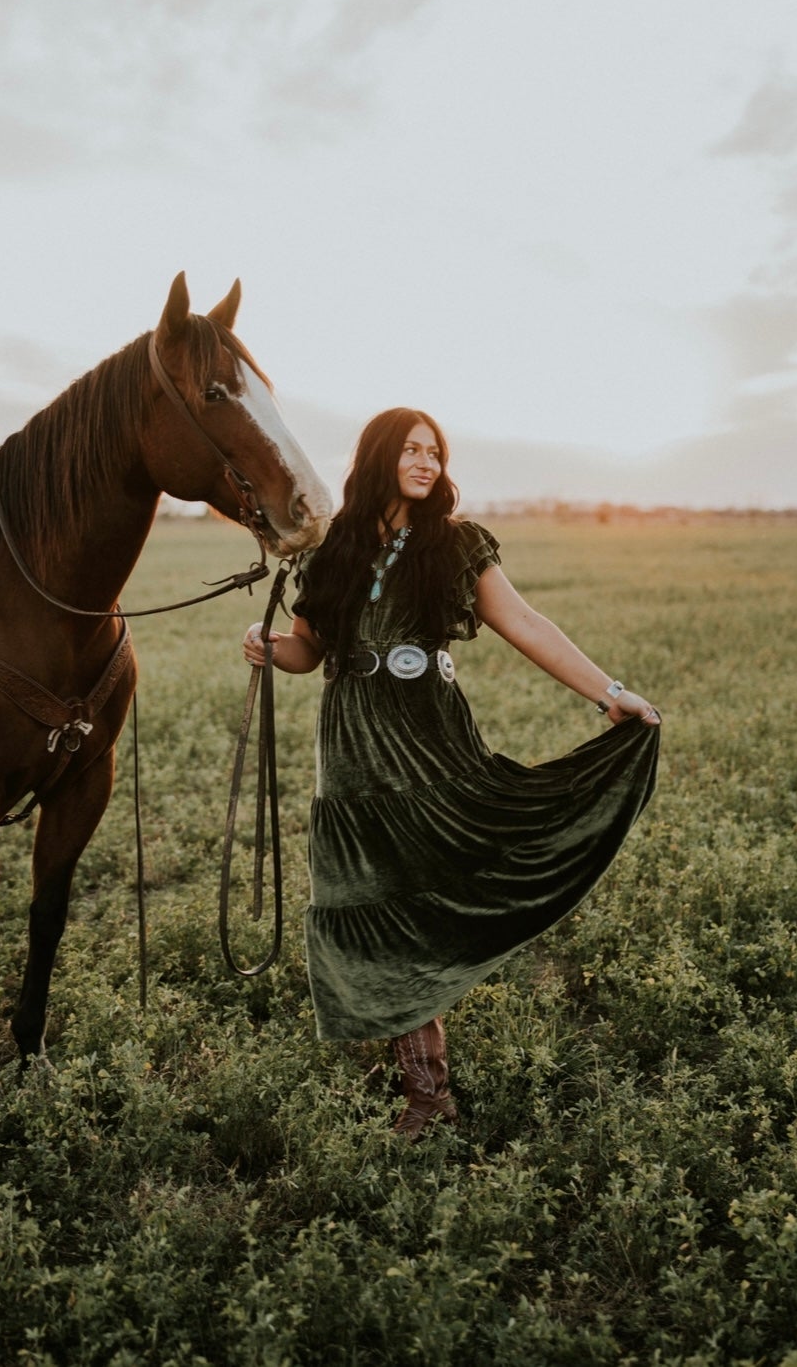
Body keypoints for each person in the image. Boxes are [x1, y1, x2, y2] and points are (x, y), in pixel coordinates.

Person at [242, 408, 661, 1137]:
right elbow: (308, 653)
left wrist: (612, 693)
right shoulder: (330, 546)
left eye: (434, 452)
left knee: (426, 888)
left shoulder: (456, 542)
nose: (426, 462)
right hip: (351, 749)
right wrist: (265, 643)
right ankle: (424, 1084)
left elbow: (526, 622)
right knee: (372, 894)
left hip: (430, 737)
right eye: (409, 449)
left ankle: (424, 1082)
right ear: (377, 457)